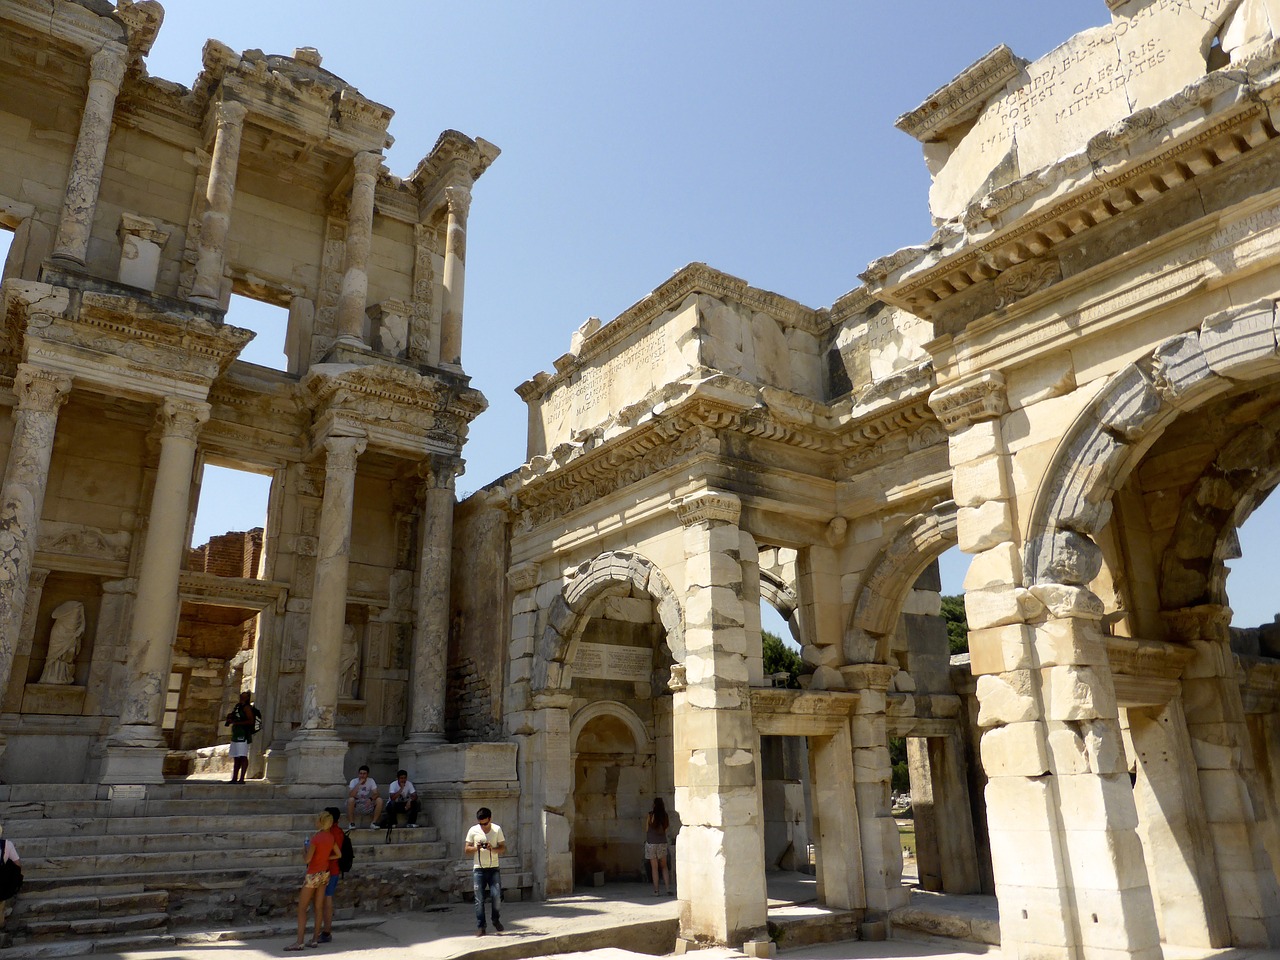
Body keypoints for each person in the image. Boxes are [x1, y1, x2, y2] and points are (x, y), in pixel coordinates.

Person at [285, 810, 337, 950]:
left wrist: (304, 849)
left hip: (313, 873)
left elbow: (307, 859)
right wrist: (326, 858)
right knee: (318, 907)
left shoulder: (316, 838)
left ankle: (299, 941)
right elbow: (338, 854)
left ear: (320, 822)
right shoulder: (330, 837)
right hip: (325, 873)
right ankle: (315, 939)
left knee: (302, 908)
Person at [464, 807, 506, 936]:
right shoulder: (473, 830)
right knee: (479, 899)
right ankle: (481, 926)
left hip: (493, 868)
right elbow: (466, 849)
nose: (483, 826)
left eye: (485, 823)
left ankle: (495, 919)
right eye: (481, 823)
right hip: (479, 869)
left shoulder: (497, 829)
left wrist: (491, 848)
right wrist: (476, 848)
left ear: (490, 819)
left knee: (496, 896)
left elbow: (503, 848)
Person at [38, 600, 84, 685]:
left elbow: (81, 627)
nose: (77, 616)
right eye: (76, 613)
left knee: (68, 654)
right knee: (53, 656)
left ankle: (62, 676)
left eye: (78, 614)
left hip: (70, 637)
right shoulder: (59, 624)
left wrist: (77, 633)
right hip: (59, 635)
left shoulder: (76, 627)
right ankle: (50, 675)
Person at [319, 806, 345, 944]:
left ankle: (326, 931)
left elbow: (330, 853)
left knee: (326, 901)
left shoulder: (331, 833)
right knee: (325, 900)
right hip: (334, 870)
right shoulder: (339, 832)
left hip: (329, 869)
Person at [223, 690, 259, 784]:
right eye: (241, 695)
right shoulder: (237, 707)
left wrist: (237, 723)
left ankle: (242, 778)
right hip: (236, 734)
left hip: (243, 735)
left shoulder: (247, 708)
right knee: (236, 757)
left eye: (244, 696)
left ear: (247, 698)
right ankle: (234, 777)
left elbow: (251, 721)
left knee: (242, 756)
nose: (242, 697)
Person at [645, 797, 671, 895]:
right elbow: (666, 829)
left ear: (654, 805)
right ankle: (668, 889)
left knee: (654, 868)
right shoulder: (665, 816)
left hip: (651, 843)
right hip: (662, 843)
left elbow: (646, 829)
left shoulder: (650, 815)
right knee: (664, 867)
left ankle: (656, 891)